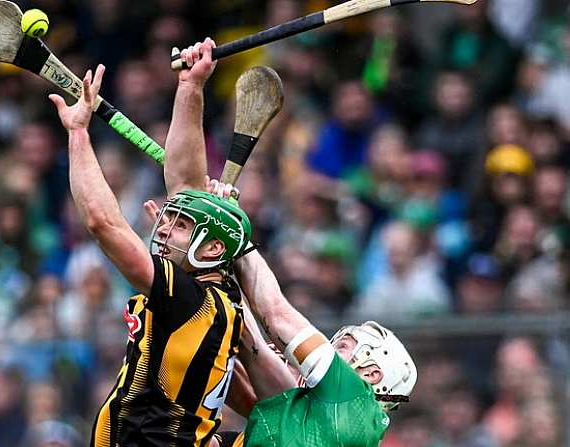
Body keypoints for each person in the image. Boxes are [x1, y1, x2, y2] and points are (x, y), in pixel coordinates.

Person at [157, 42, 417, 445]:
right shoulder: (310, 414)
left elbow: (275, 314)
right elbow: (250, 342)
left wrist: (236, 239)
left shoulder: (354, 406)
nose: (331, 346)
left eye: (346, 346)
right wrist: (216, 249)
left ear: (373, 374)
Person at [48, 38, 252, 446]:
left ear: (212, 250)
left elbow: (102, 222)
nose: (161, 225)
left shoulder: (188, 297)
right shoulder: (225, 300)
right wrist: (190, 88)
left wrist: (77, 134)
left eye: (177, 224)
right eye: (167, 217)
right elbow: (186, 185)